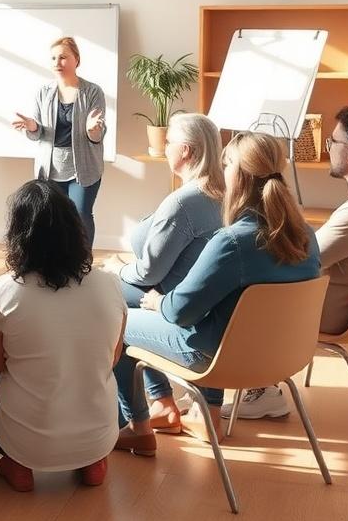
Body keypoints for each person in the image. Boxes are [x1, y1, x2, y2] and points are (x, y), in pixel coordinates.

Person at [114, 131, 321, 456]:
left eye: (226, 165)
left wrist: (158, 301)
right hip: (280, 356)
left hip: (218, 356)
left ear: (237, 175)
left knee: (119, 319)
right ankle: (205, 414)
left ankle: (139, 425)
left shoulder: (233, 242)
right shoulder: (307, 235)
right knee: (218, 310)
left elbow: (181, 312)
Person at [223, 106, 348, 420]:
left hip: (318, 312)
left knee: (237, 284)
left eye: (332, 142)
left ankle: (260, 390)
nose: (327, 148)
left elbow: (299, 259)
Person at [0, 180, 126, 492]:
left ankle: (15, 462)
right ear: (75, 230)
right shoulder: (109, 285)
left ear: (18, 235)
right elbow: (113, 358)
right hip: (100, 436)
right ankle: (93, 462)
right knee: (84, 368)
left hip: (27, 443)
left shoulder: (2, 291)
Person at [118, 112, 225, 306]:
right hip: (195, 296)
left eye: (168, 142)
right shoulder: (222, 192)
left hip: (168, 298)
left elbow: (149, 274)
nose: (165, 149)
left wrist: (119, 269)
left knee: (94, 287)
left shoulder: (183, 203)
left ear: (185, 150)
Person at [12, 36, 107, 248]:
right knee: (53, 218)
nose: (57, 62)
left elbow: (97, 136)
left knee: (80, 215)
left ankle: (83, 263)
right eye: (54, 58)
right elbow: (39, 135)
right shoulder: (43, 92)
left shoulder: (93, 91)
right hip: (51, 168)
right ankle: (58, 263)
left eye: (63, 57)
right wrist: (32, 127)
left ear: (77, 60)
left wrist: (93, 129)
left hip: (84, 167)